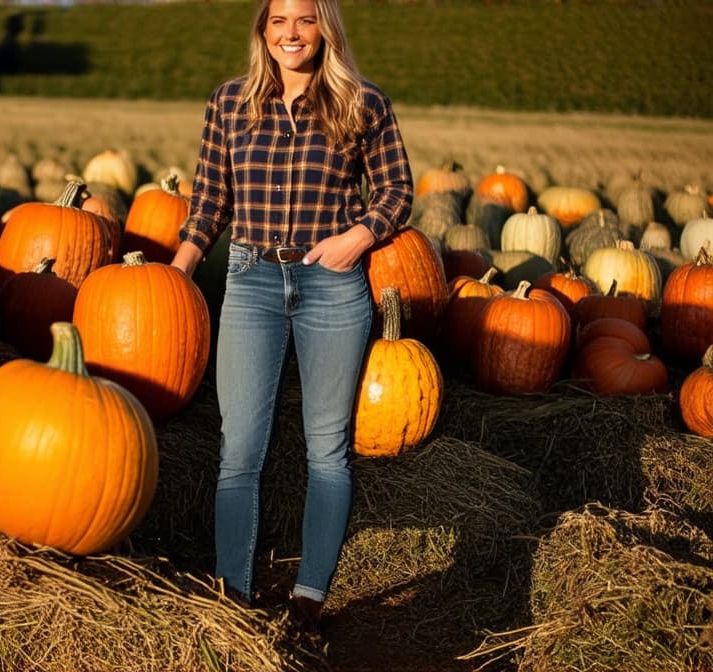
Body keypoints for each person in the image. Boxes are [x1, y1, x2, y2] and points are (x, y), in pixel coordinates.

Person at [170, 0, 414, 633]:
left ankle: (309, 596)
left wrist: (356, 239)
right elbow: (209, 201)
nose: (291, 33)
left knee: (327, 451)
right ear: (263, 31)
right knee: (239, 449)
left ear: (324, 28)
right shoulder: (230, 104)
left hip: (331, 285)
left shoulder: (363, 104)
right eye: (278, 20)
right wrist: (178, 271)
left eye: (304, 19)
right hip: (251, 282)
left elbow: (396, 191)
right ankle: (233, 592)